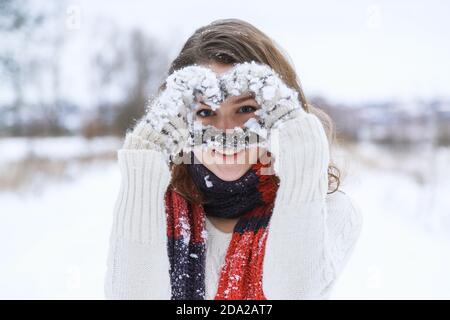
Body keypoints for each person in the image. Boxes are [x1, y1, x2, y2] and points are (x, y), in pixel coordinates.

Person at [104, 18, 363, 300]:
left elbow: (293, 291)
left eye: (247, 108)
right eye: (205, 112)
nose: (225, 133)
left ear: (280, 109)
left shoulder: (329, 211)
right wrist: (145, 156)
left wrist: (299, 140)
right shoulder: (151, 211)